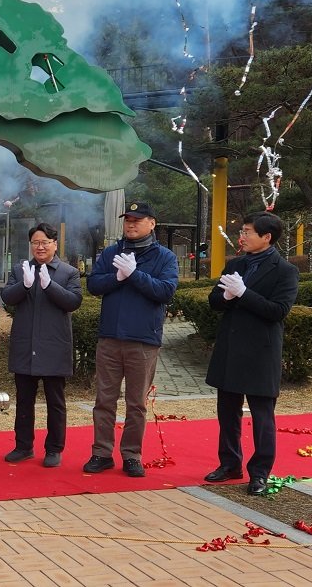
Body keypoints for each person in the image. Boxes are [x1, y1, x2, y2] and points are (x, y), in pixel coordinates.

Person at [203, 211, 299, 495]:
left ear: (266, 237)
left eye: (247, 232)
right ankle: (230, 464)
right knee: (227, 412)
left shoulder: (285, 270)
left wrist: (244, 294)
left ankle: (259, 473)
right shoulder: (236, 264)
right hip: (231, 349)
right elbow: (214, 301)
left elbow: (278, 311)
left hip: (261, 352)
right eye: (242, 231)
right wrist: (226, 296)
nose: (241, 237)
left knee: (262, 416)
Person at [84, 202, 178, 477]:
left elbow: (165, 291)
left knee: (136, 403)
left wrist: (135, 275)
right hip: (110, 337)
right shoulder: (112, 252)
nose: (131, 225)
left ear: (152, 223)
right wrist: (118, 276)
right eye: (127, 220)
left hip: (143, 339)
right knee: (104, 400)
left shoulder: (165, 257)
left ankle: (132, 455)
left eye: (138, 220)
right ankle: (101, 453)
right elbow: (93, 285)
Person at [0, 223, 82, 468]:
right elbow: (7, 297)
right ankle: (23, 446)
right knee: (24, 400)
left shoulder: (68, 272)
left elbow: (73, 302)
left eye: (45, 242)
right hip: (26, 345)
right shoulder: (20, 269)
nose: (40, 247)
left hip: (54, 346)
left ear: (55, 244)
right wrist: (24, 285)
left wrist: (49, 286)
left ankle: (54, 449)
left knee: (55, 402)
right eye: (35, 242)